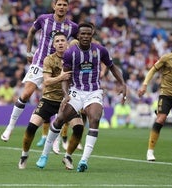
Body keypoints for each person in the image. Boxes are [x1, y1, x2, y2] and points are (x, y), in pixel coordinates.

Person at [36, 22, 127, 172]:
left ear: (92, 35)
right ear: (78, 35)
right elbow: (65, 76)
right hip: (76, 92)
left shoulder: (100, 50)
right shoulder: (70, 52)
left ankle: (84, 160)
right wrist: (66, 95)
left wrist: (122, 83)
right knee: (59, 119)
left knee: (95, 119)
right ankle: (44, 155)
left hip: (94, 92)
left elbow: (112, 67)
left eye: (88, 34)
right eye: (82, 34)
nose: (85, 36)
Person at [0, 0, 78, 142]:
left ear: (68, 8)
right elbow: (31, 32)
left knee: (59, 99)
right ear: (54, 6)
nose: (61, 7)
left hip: (58, 67)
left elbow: (78, 43)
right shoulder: (43, 19)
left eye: (64, 5)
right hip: (40, 62)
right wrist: (29, 52)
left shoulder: (72, 26)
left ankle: (55, 137)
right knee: (26, 93)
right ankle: (10, 126)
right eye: (59, 4)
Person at [18, 32, 84, 170]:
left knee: (79, 128)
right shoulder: (49, 59)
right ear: (53, 45)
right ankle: (24, 155)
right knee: (31, 127)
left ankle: (68, 157)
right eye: (57, 41)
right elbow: (47, 81)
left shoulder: (74, 59)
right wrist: (61, 77)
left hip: (68, 101)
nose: (60, 43)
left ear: (67, 43)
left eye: (62, 40)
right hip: (49, 99)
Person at [138, 33, 172, 162]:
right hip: (166, 94)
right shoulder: (167, 58)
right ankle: (150, 151)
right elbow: (152, 70)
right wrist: (144, 85)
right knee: (161, 118)